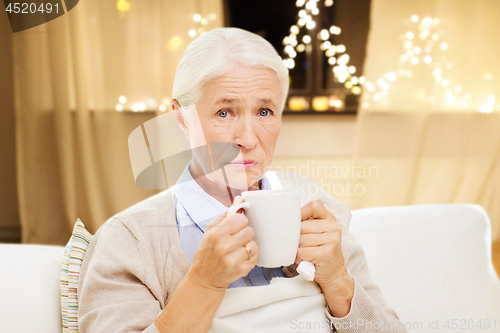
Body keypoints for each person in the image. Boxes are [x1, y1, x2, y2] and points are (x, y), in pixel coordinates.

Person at [78, 27, 407, 332]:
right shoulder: (130, 241)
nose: (248, 139)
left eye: (265, 111)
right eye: (224, 112)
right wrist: (203, 283)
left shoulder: (318, 210)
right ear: (181, 118)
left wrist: (337, 279)